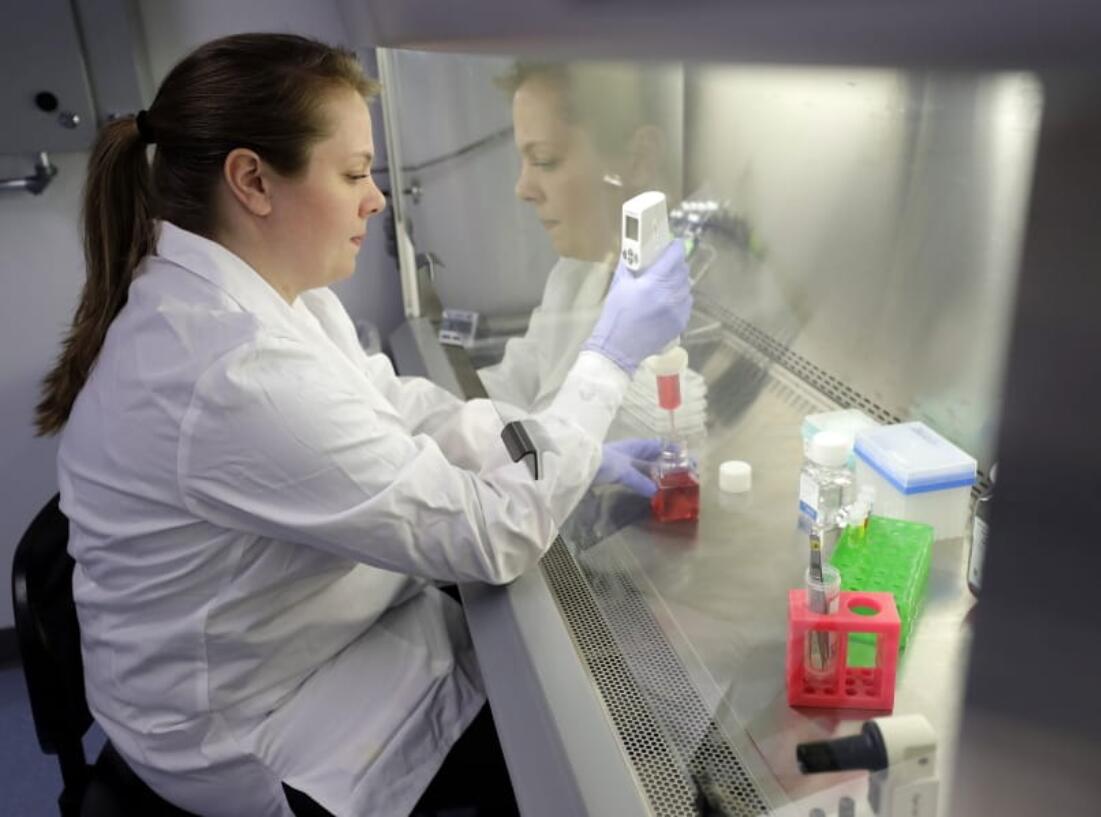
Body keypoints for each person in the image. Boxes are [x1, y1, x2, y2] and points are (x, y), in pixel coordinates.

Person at [34, 34, 690, 817]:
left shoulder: (267, 291)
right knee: (580, 756)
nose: (377, 198)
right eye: (351, 173)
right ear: (251, 181)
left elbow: (396, 408)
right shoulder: (227, 369)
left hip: (297, 645)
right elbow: (492, 538)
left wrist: (554, 445)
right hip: (254, 729)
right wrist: (608, 358)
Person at [478, 61, 685, 433]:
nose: (522, 188)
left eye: (544, 160)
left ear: (639, 159)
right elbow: (514, 383)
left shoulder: (675, 305)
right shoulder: (575, 274)